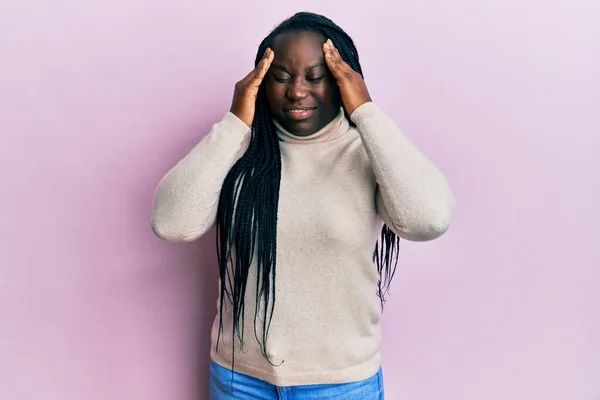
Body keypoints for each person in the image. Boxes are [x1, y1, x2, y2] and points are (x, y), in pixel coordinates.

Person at [151, 11, 455, 400]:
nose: (297, 91)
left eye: (316, 77)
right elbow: (171, 223)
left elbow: (429, 219)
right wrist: (234, 124)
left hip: (341, 385)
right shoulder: (236, 151)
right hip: (239, 382)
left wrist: (366, 112)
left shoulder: (367, 154)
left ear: (343, 81)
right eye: (280, 77)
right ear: (260, 83)